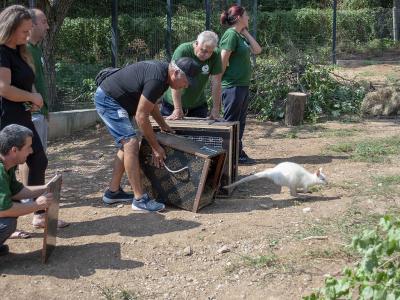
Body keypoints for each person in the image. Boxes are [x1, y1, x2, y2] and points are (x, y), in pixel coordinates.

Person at [94, 57, 201, 212]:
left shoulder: (164, 76)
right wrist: (156, 147)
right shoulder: (157, 78)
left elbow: (151, 105)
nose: (186, 85)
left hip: (120, 100)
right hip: (109, 99)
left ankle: (113, 192)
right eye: (186, 81)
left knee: (127, 145)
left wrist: (163, 125)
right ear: (176, 72)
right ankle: (140, 200)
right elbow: (141, 116)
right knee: (130, 143)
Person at [0, 124, 53, 256]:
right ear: (14, 150)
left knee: (15, 202)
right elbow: (4, 210)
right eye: (28, 147)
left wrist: (46, 188)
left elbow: (17, 191)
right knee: (8, 222)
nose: (31, 151)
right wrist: (37, 205)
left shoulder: (7, 164)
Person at [219, 4, 262, 165]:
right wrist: (217, 87)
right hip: (232, 86)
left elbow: (257, 50)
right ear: (238, 18)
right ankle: (226, 156)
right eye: (246, 16)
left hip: (241, 86)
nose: (248, 17)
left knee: (240, 123)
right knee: (231, 122)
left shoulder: (239, 35)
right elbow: (222, 62)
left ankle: (237, 153)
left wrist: (244, 31)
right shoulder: (230, 35)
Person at [160, 31, 222, 120]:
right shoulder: (183, 50)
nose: (206, 55)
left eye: (210, 52)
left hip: (198, 106)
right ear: (196, 43)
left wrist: (216, 108)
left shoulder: (216, 54)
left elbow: (216, 82)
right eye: (203, 50)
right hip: (171, 105)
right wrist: (177, 108)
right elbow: (174, 77)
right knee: (168, 133)